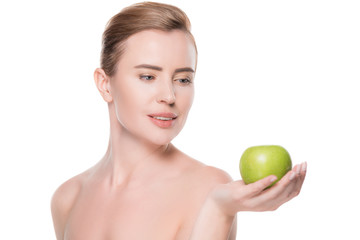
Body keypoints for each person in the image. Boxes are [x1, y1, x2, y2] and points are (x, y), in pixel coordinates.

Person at [50, 2, 307, 239]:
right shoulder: (67, 198)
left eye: (182, 79)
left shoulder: (209, 187)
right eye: (148, 77)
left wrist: (218, 210)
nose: (169, 96)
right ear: (105, 85)